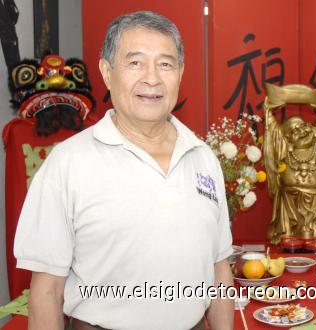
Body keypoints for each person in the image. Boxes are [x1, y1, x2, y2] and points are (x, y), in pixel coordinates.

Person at [14, 11, 234, 330]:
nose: (152, 78)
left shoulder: (202, 157)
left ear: (181, 72)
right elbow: (47, 292)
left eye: (165, 63)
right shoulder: (68, 163)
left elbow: (219, 269)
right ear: (107, 71)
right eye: (135, 62)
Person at [263, 83, 316, 243]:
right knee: (287, 240)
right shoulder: (284, 149)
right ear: (287, 139)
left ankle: (315, 235)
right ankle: (288, 234)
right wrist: (269, 109)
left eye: (303, 126)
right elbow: (273, 129)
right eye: (294, 130)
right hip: (289, 203)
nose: (301, 131)